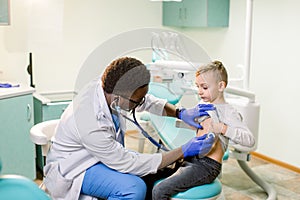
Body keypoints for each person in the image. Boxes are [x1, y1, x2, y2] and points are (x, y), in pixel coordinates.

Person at [43, 57, 216, 200]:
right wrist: (183, 151)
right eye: (137, 101)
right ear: (119, 98)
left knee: (150, 176)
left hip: (97, 156)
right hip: (76, 167)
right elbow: (126, 162)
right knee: (134, 189)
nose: (141, 103)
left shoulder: (111, 88)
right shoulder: (88, 120)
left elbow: (146, 101)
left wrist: (180, 113)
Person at [152, 60, 256, 200]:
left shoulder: (228, 113)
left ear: (220, 86)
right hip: (191, 158)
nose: (200, 91)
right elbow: (199, 127)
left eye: (204, 87)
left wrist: (223, 128)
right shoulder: (204, 104)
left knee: (160, 190)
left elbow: (250, 140)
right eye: (198, 86)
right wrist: (189, 122)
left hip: (207, 166)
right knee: (151, 175)